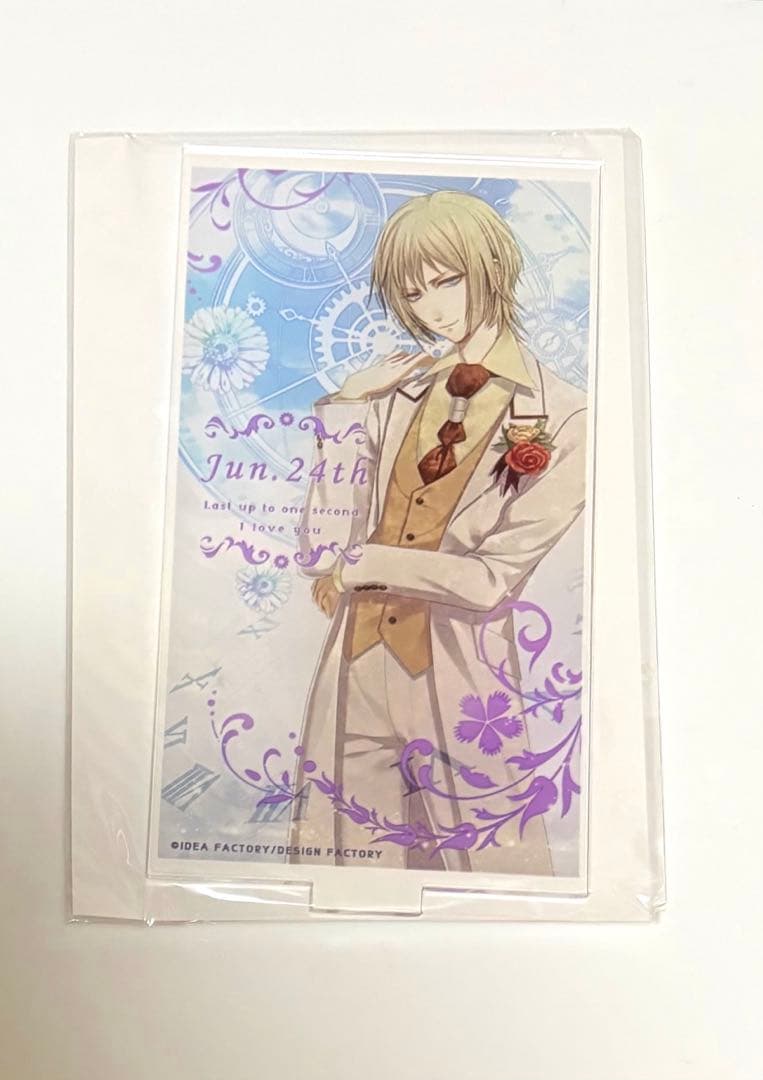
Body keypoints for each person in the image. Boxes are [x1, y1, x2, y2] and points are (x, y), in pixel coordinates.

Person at [291, 190, 587, 875]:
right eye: (412, 292)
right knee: (347, 878)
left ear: (492, 268)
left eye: (446, 281)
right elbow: (319, 549)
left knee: (491, 878)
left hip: (460, 678)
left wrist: (365, 565)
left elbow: (490, 580)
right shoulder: (394, 393)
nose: (431, 308)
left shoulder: (567, 416)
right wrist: (346, 408)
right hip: (355, 671)